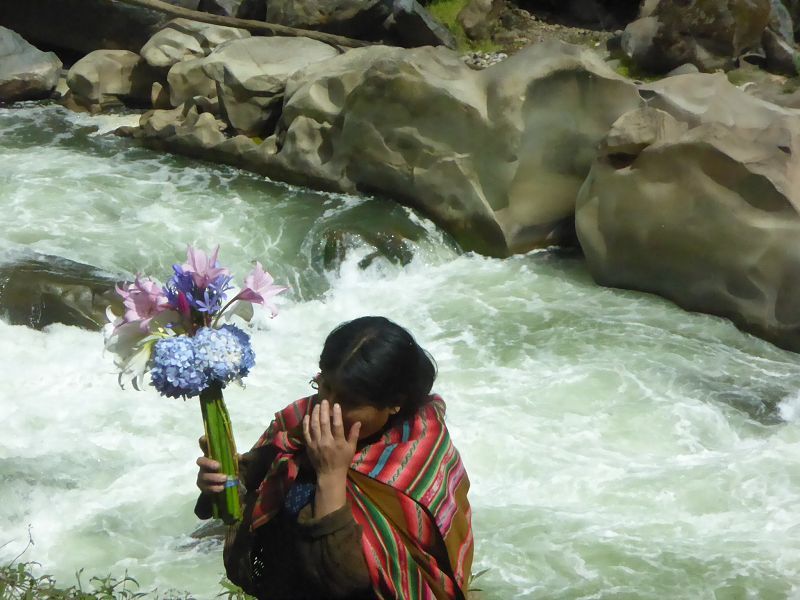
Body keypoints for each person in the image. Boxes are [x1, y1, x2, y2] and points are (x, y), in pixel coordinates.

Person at [195, 316, 474, 600]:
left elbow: (345, 582)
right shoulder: (300, 420)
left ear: (393, 403)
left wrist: (331, 474)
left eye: (349, 401)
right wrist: (223, 481)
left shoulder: (418, 456)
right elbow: (247, 492)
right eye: (324, 386)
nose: (328, 407)